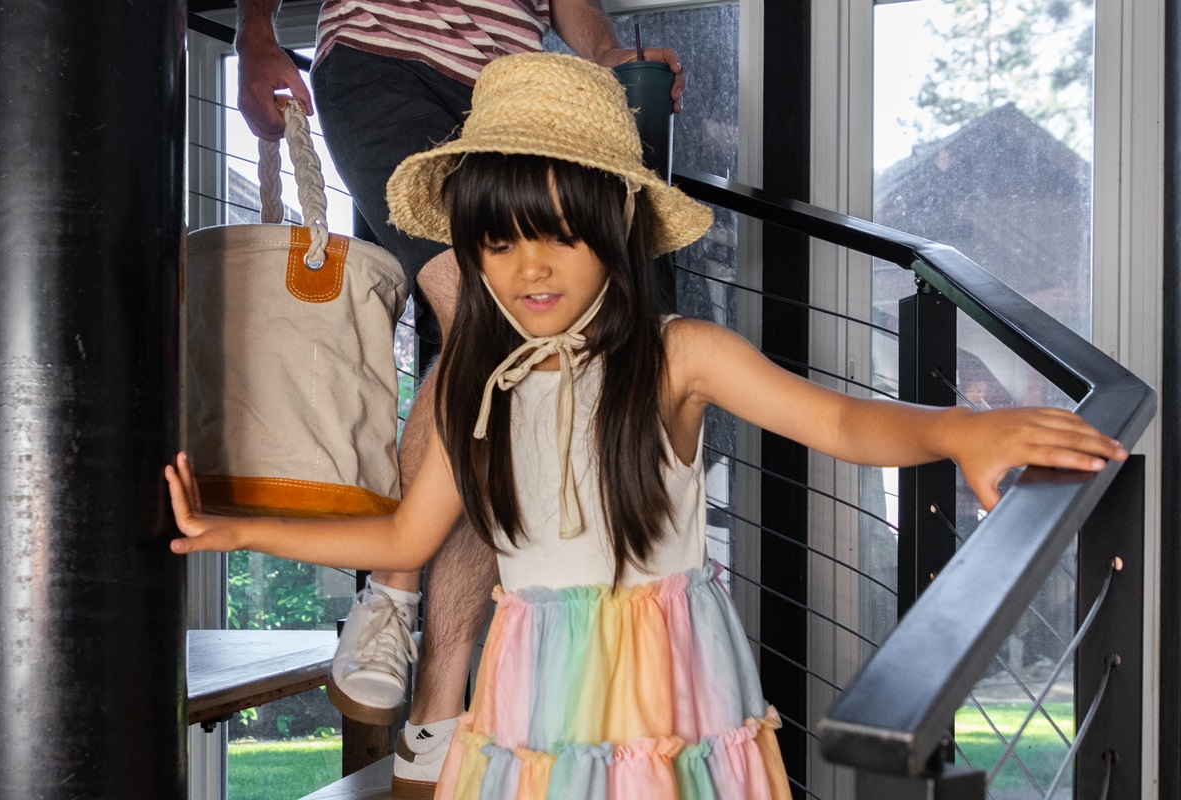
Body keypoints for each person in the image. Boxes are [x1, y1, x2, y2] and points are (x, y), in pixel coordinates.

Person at [169, 53, 1126, 799]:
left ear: (617, 222)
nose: (526, 268)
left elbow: (836, 418)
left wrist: (957, 430)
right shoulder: (475, 380)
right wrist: (239, 528)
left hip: (667, 684)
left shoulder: (678, 356)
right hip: (532, 688)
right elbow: (404, 538)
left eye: (557, 233)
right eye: (497, 241)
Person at [233, 2, 686, 794]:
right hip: (379, 60)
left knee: (507, 365)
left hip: (503, 96)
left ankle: (438, 717)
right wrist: (257, 38)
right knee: (482, 312)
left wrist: (607, 50)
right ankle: (392, 596)